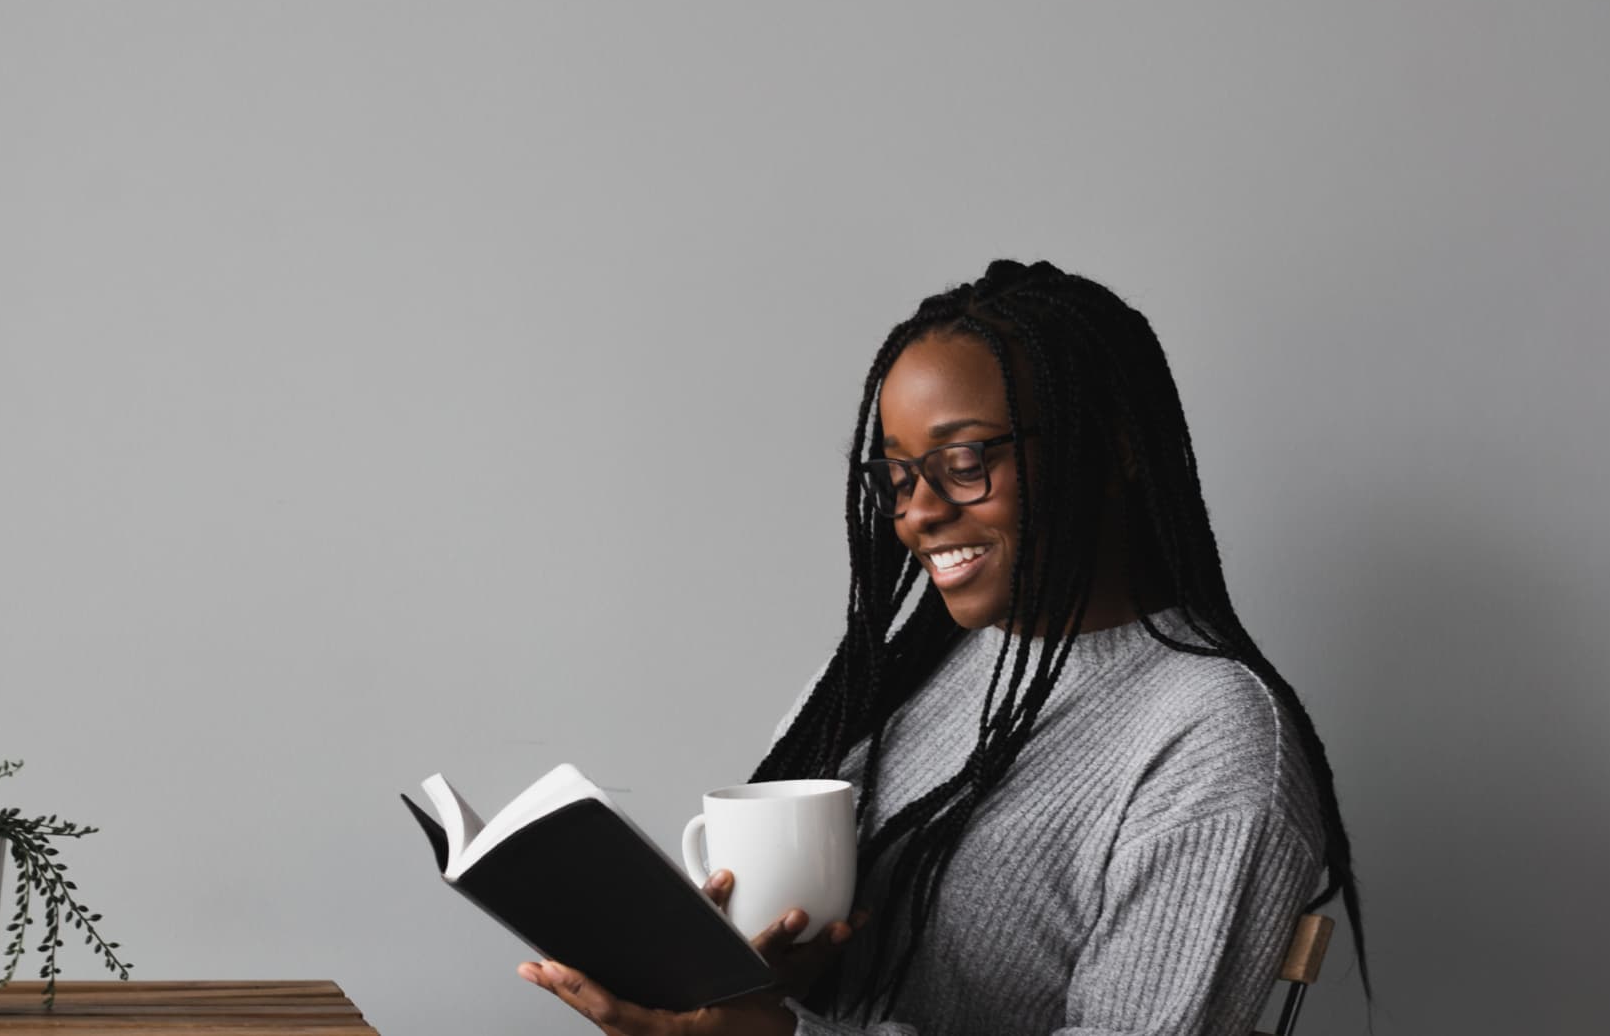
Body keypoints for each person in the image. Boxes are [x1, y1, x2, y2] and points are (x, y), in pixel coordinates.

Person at [518, 259, 1368, 1035]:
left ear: (1113, 452)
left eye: (964, 460)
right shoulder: (897, 673)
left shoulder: (1212, 743)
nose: (917, 511)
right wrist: (774, 976)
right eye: (895, 474)